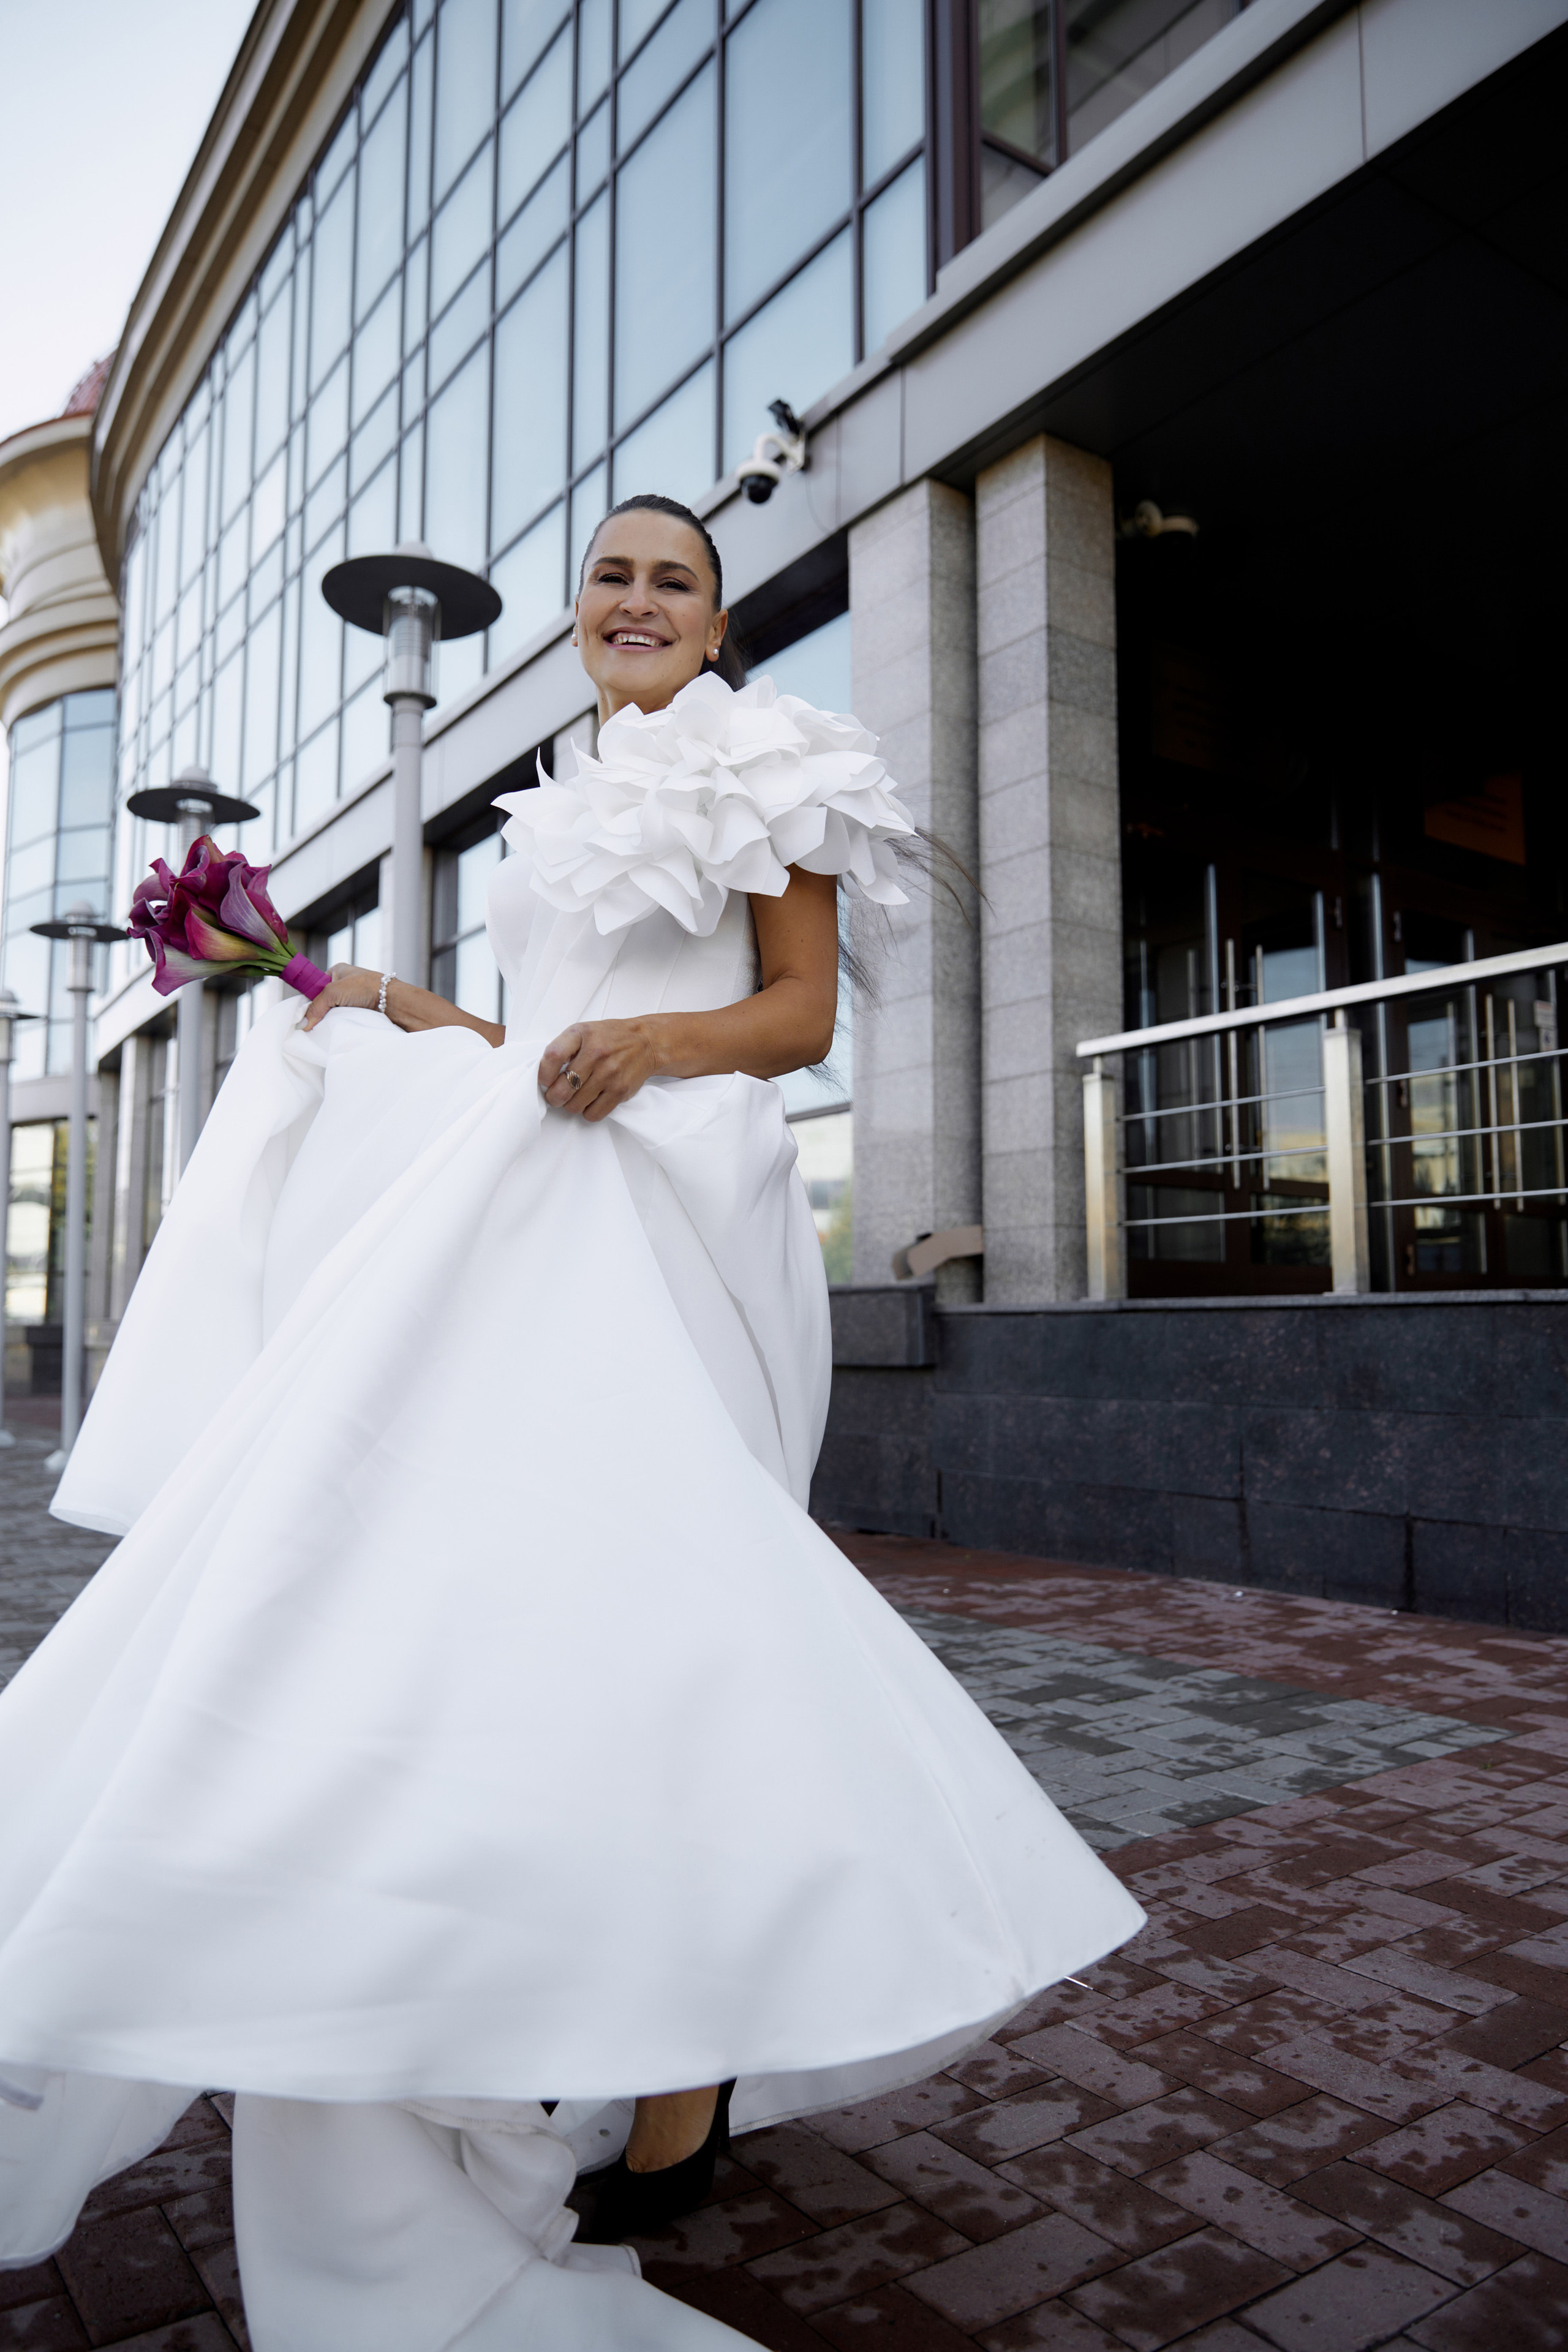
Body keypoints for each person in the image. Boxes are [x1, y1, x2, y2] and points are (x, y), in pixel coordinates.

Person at [0, 494, 1144, 2350]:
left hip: (687, 1199)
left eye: (671, 581)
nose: (636, 600)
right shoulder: (554, 784)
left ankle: (688, 2065)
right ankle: (551, 1998)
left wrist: (650, 1054)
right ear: (584, 612)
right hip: (535, 1176)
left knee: (673, 1619)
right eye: (611, 575)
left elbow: (785, 1020)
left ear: (716, 623)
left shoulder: (781, 759)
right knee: (505, 1611)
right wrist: (345, 988)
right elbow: (539, 1029)